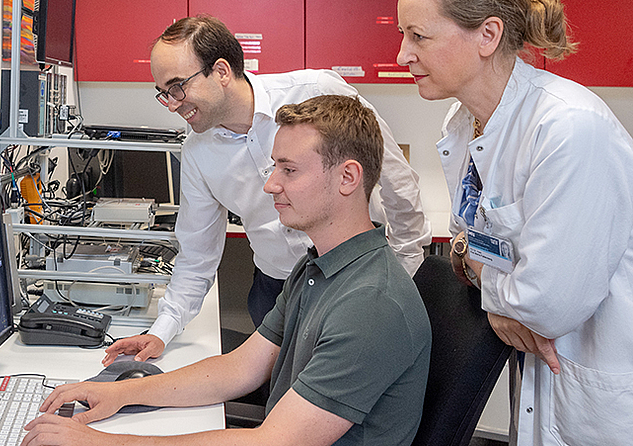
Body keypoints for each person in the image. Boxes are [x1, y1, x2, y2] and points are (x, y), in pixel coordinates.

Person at [22, 95, 432, 446]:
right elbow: (242, 367)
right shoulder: (319, 266)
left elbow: (271, 441)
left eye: (289, 170)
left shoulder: (371, 304)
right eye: (275, 167)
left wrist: (102, 442)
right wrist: (126, 393)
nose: (270, 184)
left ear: (347, 178)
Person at [102, 16, 430, 365]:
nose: (171, 103)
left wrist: (406, 269)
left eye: (177, 87)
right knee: (281, 394)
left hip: (352, 280)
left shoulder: (314, 92)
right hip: (275, 292)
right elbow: (196, 257)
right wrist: (160, 332)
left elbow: (396, 179)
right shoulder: (198, 151)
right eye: (163, 93)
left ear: (222, 71)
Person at [396, 0, 633, 444]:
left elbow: (543, 307)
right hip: (539, 374)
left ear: (488, 35)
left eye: (418, 36)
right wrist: (494, 283)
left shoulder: (569, 129)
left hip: (598, 392)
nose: (402, 54)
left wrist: (495, 291)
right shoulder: (468, 122)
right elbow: (467, 241)